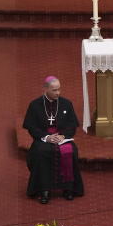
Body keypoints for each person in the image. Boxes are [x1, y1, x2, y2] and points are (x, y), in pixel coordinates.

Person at [22, 76, 84, 204]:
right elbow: (31, 127)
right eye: (54, 90)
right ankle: (44, 190)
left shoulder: (66, 103)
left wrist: (63, 136)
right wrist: (47, 137)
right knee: (41, 152)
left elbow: (72, 125)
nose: (58, 93)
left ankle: (68, 188)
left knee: (70, 151)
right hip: (43, 138)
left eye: (59, 89)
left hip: (61, 137)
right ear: (45, 89)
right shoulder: (35, 105)